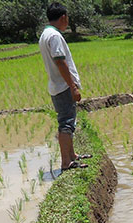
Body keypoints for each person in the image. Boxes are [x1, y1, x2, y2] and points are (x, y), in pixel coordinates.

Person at [38, 2, 90, 171]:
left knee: (68, 121)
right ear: (63, 17)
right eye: (67, 18)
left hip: (56, 85)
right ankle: (66, 162)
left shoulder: (45, 34)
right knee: (66, 123)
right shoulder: (55, 36)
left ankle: (72, 155)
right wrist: (73, 86)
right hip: (62, 87)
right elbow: (60, 62)